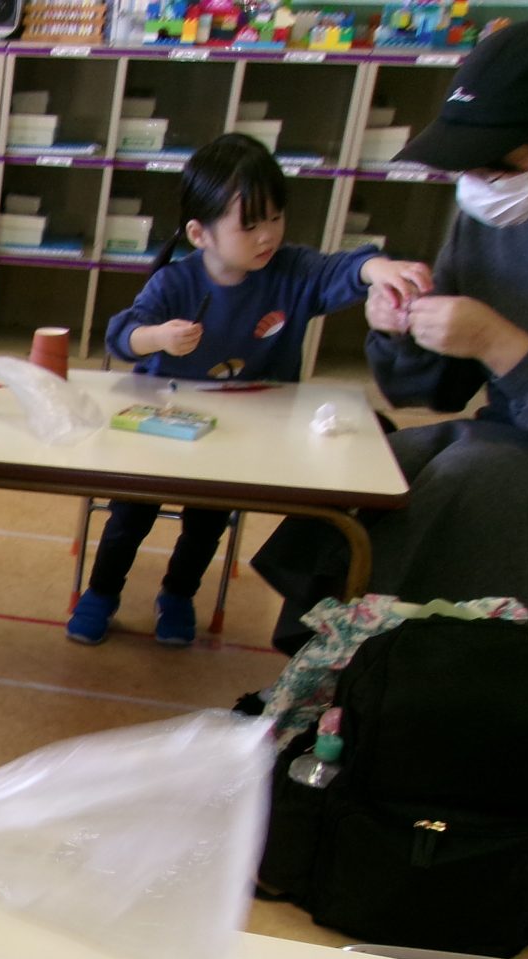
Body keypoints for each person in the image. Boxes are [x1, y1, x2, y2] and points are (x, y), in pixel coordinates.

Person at [252, 18, 528, 747]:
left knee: (474, 482)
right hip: (515, 441)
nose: (475, 186)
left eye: (492, 167)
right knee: (371, 466)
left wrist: (500, 343)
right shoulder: (502, 205)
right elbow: (434, 391)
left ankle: (407, 707)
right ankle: (340, 678)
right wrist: (399, 328)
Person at [71, 133, 433, 647]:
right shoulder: (175, 283)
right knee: (130, 515)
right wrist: (158, 338)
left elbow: (342, 269)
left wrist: (379, 269)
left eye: (276, 218)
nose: (268, 236)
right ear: (200, 234)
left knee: (206, 523)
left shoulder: (291, 271)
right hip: (161, 427)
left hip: (244, 435)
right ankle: (101, 592)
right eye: (250, 225)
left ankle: (178, 594)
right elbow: (121, 335)